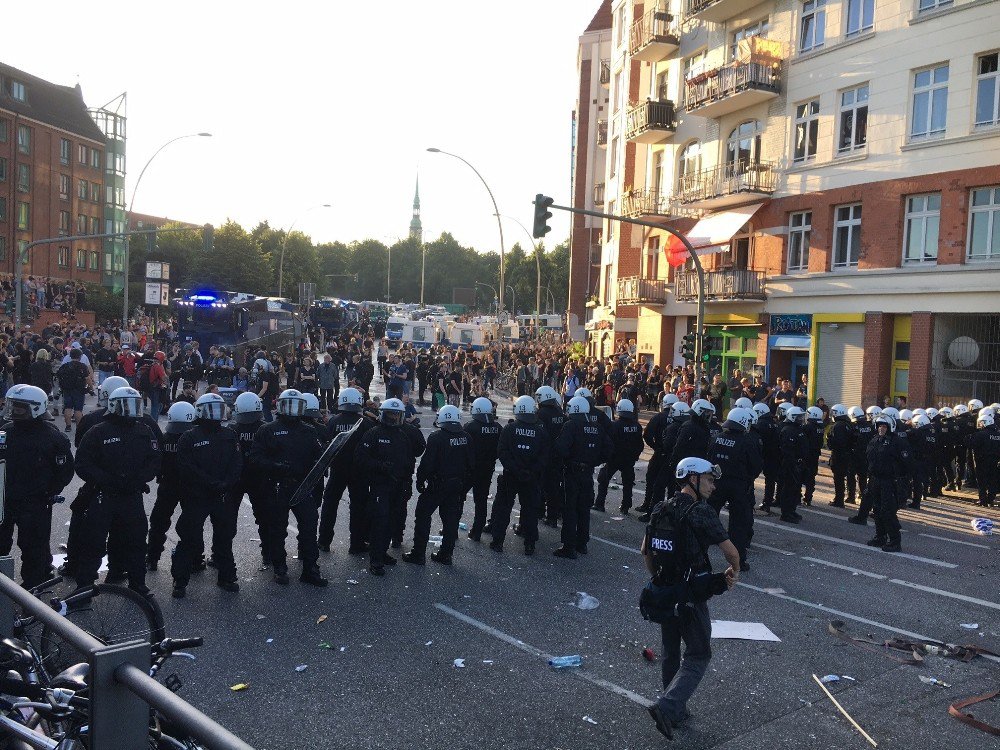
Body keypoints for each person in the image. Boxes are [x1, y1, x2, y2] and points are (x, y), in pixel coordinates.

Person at [642, 457, 740, 739]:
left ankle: (675, 706)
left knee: (671, 651)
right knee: (698, 653)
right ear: (693, 479)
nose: (713, 485)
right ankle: (668, 706)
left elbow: (645, 551)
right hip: (690, 594)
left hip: (664, 591)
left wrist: (659, 579)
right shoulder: (701, 512)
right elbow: (731, 551)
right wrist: (734, 573)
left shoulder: (660, 507)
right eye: (709, 479)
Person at [74, 387, 161, 595]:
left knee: (136, 540)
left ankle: (137, 582)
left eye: (135, 405)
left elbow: (155, 459)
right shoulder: (99, 431)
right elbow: (83, 463)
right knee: (93, 541)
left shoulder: (144, 430)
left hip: (132, 494)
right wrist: (106, 480)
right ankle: (85, 585)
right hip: (104, 494)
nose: (130, 410)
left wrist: (140, 479)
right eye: (126, 405)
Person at [249, 389, 327, 587]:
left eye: (296, 406)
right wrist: (274, 467)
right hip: (277, 487)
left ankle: (310, 568)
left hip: (303, 486)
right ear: (280, 407)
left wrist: (320, 463)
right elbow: (255, 458)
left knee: (309, 528)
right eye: (288, 405)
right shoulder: (267, 430)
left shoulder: (309, 430)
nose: (292, 411)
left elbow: (320, 455)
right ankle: (280, 568)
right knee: (277, 530)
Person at [0, 385, 75, 587]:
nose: (14, 411)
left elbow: (66, 470)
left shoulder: (52, 437)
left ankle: (33, 589)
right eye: (12, 406)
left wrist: (49, 492)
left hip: (35, 502)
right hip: (3, 500)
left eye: (19, 407)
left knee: (34, 548)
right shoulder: (5, 431)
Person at [170, 393, 243, 597]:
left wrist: (227, 483)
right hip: (198, 496)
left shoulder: (229, 435)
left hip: (222, 494)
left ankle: (227, 577)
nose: (215, 415)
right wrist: (211, 483)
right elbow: (186, 467)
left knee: (224, 537)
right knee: (188, 538)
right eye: (211, 410)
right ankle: (180, 580)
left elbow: (237, 462)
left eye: (219, 409)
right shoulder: (189, 437)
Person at [354, 398, 423, 576]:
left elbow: (410, 460)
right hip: (380, 485)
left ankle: (382, 552)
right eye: (389, 415)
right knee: (380, 521)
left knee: (391, 521)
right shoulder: (373, 433)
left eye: (396, 415)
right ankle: (375, 560)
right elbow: (360, 458)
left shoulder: (403, 435)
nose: (392, 418)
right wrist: (379, 466)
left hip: (398, 485)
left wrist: (408, 482)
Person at [403, 405, 473, 566]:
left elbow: (427, 464)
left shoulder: (436, 437)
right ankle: (446, 554)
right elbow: (471, 465)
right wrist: (464, 486)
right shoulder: (466, 437)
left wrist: (420, 481)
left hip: (437, 485)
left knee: (423, 515)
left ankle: (418, 553)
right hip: (456, 484)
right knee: (450, 520)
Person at [486, 395, 551, 555]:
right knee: (530, 510)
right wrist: (531, 470)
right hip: (532, 476)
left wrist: (516, 469)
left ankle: (498, 541)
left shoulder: (510, 428)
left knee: (503, 508)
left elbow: (502, 452)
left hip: (511, 475)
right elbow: (545, 455)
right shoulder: (541, 431)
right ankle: (529, 544)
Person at [553, 395, 613, 559]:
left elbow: (560, 447)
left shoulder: (571, 425)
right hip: (587, 473)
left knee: (569, 509)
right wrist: (593, 461)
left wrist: (569, 460)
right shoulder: (597, 427)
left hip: (572, 472)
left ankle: (568, 546)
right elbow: (608, 450)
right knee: (584, 509)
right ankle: (582, 543)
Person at [318, 388, 376, 555]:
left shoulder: (333, 421)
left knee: (330, 505)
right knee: (358, 507)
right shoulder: (366, 423)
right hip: (360, 472)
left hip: (338, 469)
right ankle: (357, 544)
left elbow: (325, 444)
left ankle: (324, 541)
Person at [706, 408, 762, 571]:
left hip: (717, 482)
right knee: (738, 523)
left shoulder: (716, 438)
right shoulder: (748, 441)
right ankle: (738, 561)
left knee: (708, 515)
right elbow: (756, 466)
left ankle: (701, 551)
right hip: (739, 486)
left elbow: (708, 458)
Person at [146, 402, 199, 572]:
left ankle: (152, 557)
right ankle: (196, 559)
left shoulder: (165, 438)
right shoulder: (195, 438)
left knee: (159, 522)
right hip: (190, 486)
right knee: (192, 524)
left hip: (168, 485)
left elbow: (155, 461)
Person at [225, 392, 271, 569]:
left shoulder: (232, 429)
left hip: (236, 479)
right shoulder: (266, 428)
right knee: (264, 517)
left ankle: (220, 553)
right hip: (258, 478)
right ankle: (268, 552)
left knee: (228, 518)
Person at [865, 415, 912, 552]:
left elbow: (907, 462)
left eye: (884, 426)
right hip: (875, 479)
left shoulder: (897, 442)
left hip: (890, 481)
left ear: (890, 427)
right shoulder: (875, 440)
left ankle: (895, 541)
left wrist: (899, 479)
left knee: (888, 511)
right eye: (879, 426)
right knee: (877, 509)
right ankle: (880, 536)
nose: (881, 429)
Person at [595, 399, 644, 514]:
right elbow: (640, 444)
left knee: (603, 478)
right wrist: (634, 456)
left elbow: (608, 443)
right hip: (629, 460)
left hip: (614, 458)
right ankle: (626, 506)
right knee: (628, 483)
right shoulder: (637, 426)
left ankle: (600, 503)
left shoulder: (614, 426)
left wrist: (606, 456)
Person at [463, 397, 502, 541]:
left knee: (458, 499)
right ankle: (477, 531)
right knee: (481, 501)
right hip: (487, 468)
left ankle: (451, 529)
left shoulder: (470, 426)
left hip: (470, 469)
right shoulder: (497, 427)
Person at [535, 386, 567, 526]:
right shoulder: (559, 412)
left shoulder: (541, 413)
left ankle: (541, 512)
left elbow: (539, 434)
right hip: (558, 454)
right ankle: (553, 515)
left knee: (541, 485)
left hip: (545, 454)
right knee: (554, 486)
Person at [777, 406, 808, 524]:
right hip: (790, 464)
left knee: (795, 489)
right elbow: (787, 451)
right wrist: (793, 463)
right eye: (799, 417)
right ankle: (786, 513)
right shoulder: (788, 430)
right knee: (788, 488)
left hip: (798, 463)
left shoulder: (798, 429)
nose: (801, 419)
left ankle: (792, 510)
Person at [967, 410, 1000, 507]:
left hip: (981, 461)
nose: (980, 425)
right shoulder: (998, 435)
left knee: (982, 481)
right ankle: (991, 499)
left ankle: (983, 500)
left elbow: (970, 444)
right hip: (995, 461)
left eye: (981, 423)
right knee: (993, 480)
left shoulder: (980, 434)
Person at [827, 404, 855, 507]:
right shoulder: (849, 424)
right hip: (848, 454)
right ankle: (845, 497)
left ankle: (839, 500)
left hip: (839, 455)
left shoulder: (838, 426)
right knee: (846, 477)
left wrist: (830, 440)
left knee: (838, 479)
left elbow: (837, 442)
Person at [56, 348, 90, 433]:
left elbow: (58, 376)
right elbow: (87, 378)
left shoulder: (65, 366)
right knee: (78, 410)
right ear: (80, 356)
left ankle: (68, 426)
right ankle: (79, 427)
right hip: (79, 390)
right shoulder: (82, 366)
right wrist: (91, 387)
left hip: (67, 389)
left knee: (68, 408)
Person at [801, 406, 825, 506]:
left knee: (801, 475)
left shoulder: (808, 426)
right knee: (811, 476)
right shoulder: (821, 426)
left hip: (806, 454)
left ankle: (798, 497)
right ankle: (808, 498)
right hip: (815, 454)